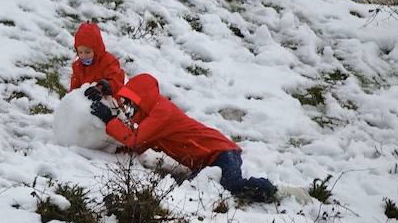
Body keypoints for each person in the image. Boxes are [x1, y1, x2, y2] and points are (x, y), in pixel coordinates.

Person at [89, 73, 278, 203]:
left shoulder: (160, 113)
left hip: (221, 152)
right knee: (198, 190)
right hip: (206, 162)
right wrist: (107, 92)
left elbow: (134, 139)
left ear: (143, 100)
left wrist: (109, 119)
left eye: (131, 103)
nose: (127, 108)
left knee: (231, 187)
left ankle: (275, 191)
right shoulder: (150, 116)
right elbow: (137, 146)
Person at [71, 21, 125, 97]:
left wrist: (102, 88)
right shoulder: (78, 66)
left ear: (96, 50)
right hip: (86, 102)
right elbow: (74, 89)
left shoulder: (108, 62)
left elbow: (117, 81)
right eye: (80, 52)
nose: (83, 56)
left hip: (108, 99)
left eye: (87, 52)